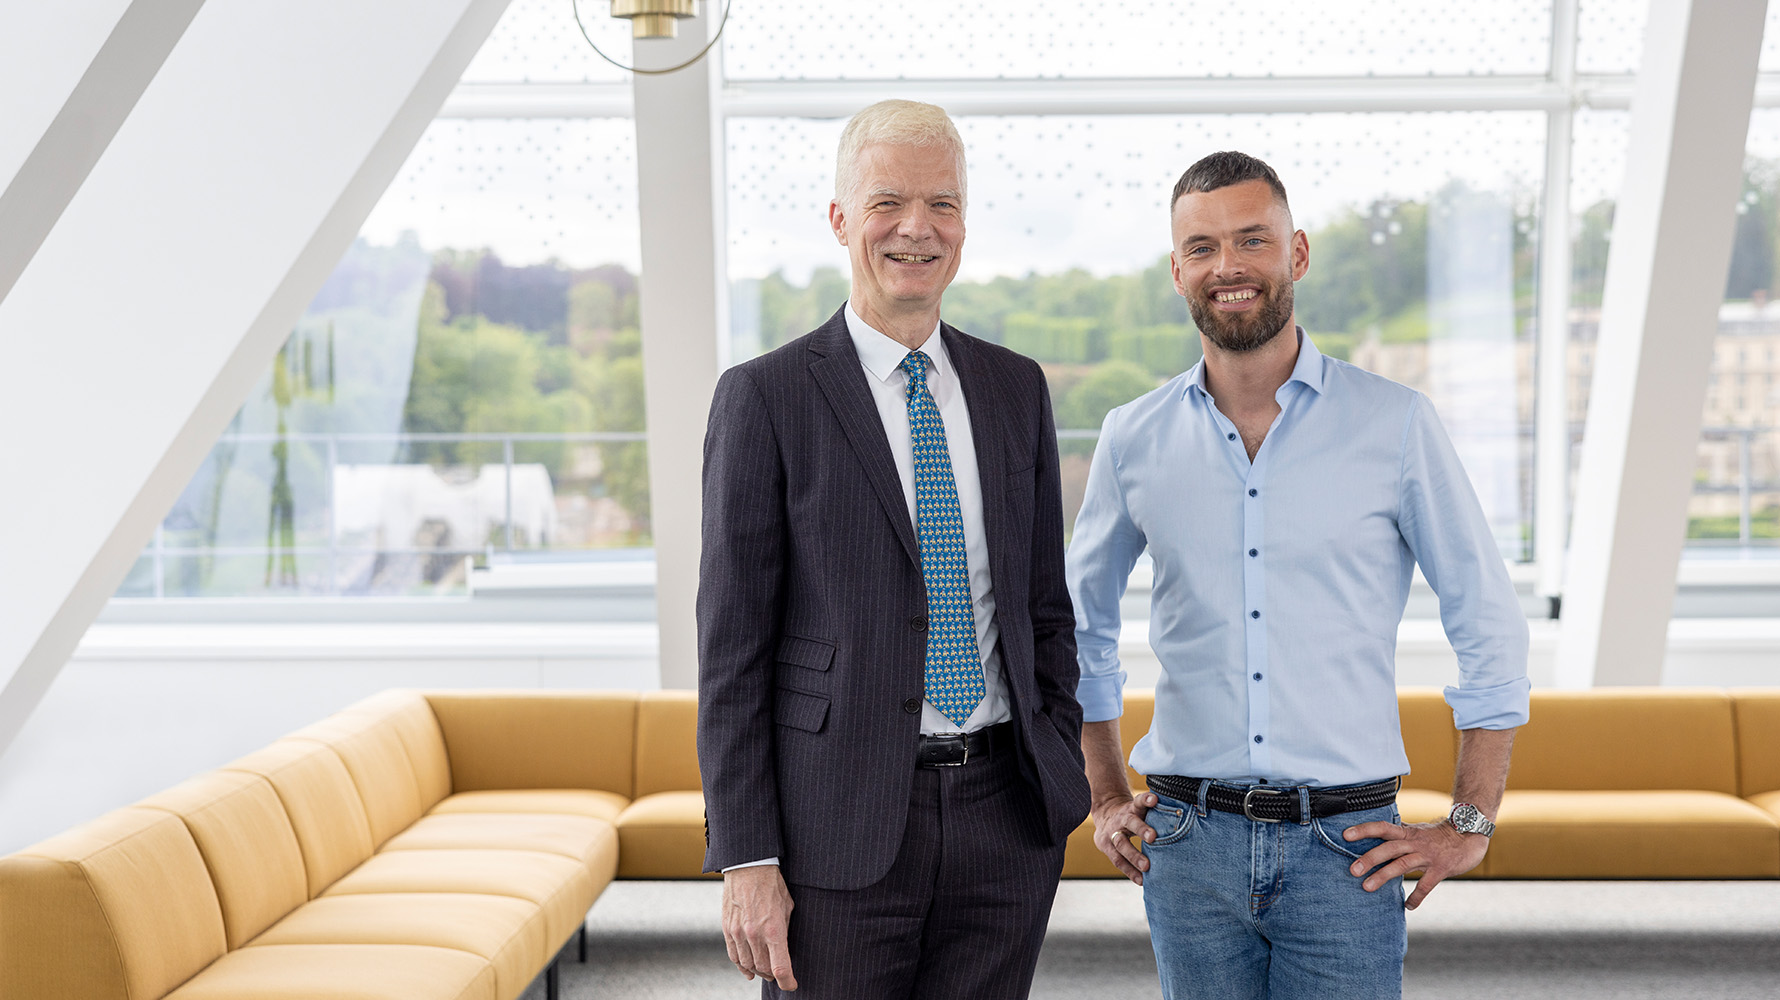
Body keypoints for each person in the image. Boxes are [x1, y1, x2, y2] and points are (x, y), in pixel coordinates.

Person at [1067, 151, 1530, 999]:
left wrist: (1471, 822)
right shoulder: (1132, 436)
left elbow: (1488, 621)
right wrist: (1103, 794)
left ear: (1298, 253)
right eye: (1202, 247)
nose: (1229, 266)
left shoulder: (1394, 425)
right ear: (1178, 271)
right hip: (1186, 847)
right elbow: (1076, 630)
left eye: (1253, 239)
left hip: (1346, 853)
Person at [696, 99, 1091, 999]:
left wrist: (1055, 759)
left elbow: (1042, 607)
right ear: (841, 220)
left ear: (964, 225)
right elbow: (732, 652)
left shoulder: (1014, 388)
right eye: (888, 203)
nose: (917, 228)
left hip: (1004, 819)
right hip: (835, 829)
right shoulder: (765, 399)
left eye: (942, 204)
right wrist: (746, 854)